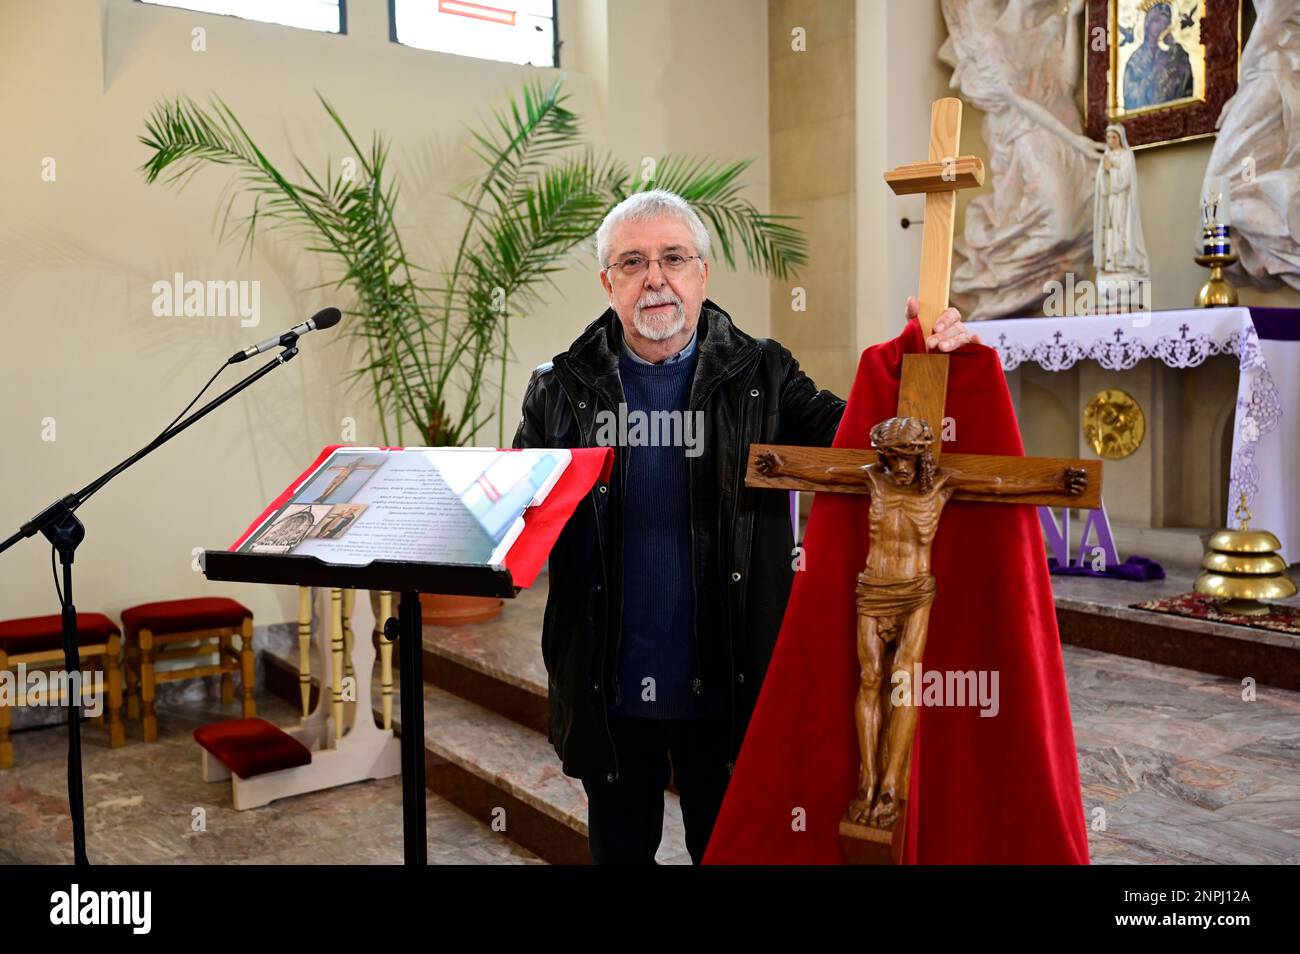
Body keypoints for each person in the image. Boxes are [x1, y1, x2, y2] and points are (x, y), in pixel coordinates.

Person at [512, 189, 978, 864]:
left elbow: (864, 439)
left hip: (728, 680)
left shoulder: (761, 372)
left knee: (731, 855)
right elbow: (522, 511)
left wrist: (926, 363)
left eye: (674, 257)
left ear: (702, 272)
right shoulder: (559, 387)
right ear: (608, 282)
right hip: (607, 685)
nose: (656, 278)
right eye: (634, 262)